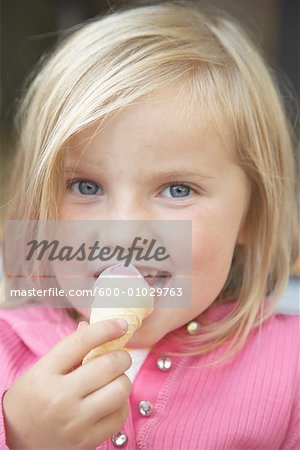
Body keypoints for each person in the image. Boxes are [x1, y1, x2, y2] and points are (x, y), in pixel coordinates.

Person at [0, 1, 299, 449]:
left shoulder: (290, 369)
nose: (123, 235)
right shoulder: (6, 352)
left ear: (252, 217)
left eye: (177, 190)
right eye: (85, 185)